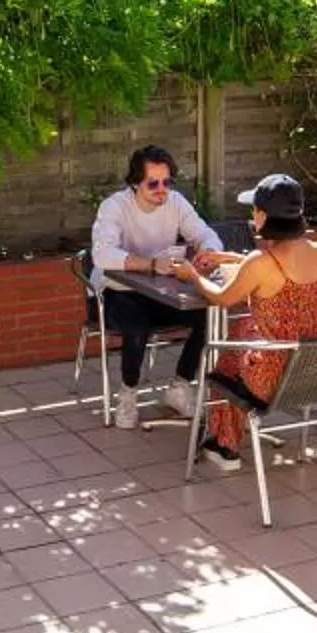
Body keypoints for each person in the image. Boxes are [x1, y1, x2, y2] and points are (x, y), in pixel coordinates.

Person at [191, 174, 317, 471]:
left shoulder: (261, 262)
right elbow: (269, 269)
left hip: (274, 382)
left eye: (254, 210)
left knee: (228, 360)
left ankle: (225, 447)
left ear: (261, 215)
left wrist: (191, 276)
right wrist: (228, 258)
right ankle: (226, 437)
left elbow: (221, 298)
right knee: (245, 327)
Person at [88, 144, 225, 430]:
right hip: (116, 292)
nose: (161, 189)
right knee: (136, 328)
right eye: (153, 183)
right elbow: (101, 255)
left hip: (160, 292)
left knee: (208, 314)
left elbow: (206, 234)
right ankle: (127, 394)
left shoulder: (175, 202)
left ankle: (179, 386)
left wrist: (208, 253)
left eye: (167, 182)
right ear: (135, 183)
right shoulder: (114, 206)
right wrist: (150, 264)